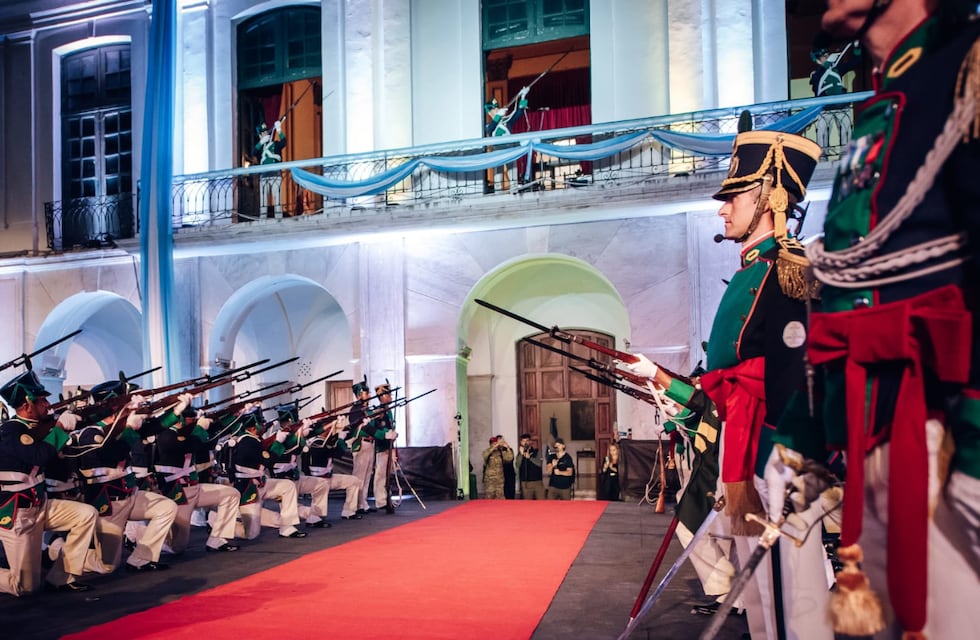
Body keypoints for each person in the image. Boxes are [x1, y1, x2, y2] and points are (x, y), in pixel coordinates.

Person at [768, 2, 980, 638]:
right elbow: (849, 298)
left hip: (951, 428)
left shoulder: (968, 65)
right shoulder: (889, 94)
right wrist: (807, 430)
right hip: (882, 428)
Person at [628, 128, 829, 639]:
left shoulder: (790, 270)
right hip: (740, 454)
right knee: (760, 600)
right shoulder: (751, 270)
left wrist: (787, 461)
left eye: (733, 197)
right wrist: (659, 378)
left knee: (791, 604)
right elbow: (720, 389)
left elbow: (795, 378)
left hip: (774, 460)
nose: (723, 209)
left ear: (769, 197)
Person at [0, 370, 98, 594]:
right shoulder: (12, 431)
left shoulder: (35, 427)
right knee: (24, 586)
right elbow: (40, 456)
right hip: (18, 513)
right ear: (27, 405)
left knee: (86, 514)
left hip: (41, 506)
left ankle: (62, 578)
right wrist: (60, 429)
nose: (47, 404)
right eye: (42, 400)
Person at [70, 380, 178, 574]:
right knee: (107, 566)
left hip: (130, 494)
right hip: (109, 502)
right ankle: (58, 551)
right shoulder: (91, 433)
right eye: (126, 403)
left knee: (166, 507)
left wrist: (177, 410)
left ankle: (141, 559)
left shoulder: (123, 426)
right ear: (115, 406)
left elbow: (155, 427)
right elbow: (112, 453)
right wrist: (129, 429)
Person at [152, 394, 241, 553]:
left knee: (231, 494)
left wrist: (234, 414)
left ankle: (217, 539)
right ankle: (148, 543)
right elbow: (189, 446)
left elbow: (214, 431)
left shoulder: (188, 433)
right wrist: (199, 428)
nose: (193, 422)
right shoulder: (166, 435)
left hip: (194, 487)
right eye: (190, 419)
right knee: (178, 547)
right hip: (178, 491)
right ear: (179, 419)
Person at [227, 407, 307, 540]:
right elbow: (269, 461)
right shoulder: (248, 442)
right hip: (248, 486)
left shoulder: (254, 439)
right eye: (261, 424)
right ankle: (215, 520)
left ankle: (287, 527)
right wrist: (277, 442)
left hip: (260, 482)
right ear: (254, 427)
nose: (264, 426)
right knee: (251, 534)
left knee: (287, 486)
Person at [301, 414, 363, 522]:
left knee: (354, 481)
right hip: (317, 479)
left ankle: (349, 511)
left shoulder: (326, 440)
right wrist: (340, 440)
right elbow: (337, 453)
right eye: (329, 427)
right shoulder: (317, 442)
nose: (332, 429)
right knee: (321, 486)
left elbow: (343, 438)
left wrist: (358, 425)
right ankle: (314, 518)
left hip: (328, 477)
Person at [366, 384, 398, 514]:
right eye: (388, 395)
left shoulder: (388, 410)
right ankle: (380, 501)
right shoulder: (378, 411)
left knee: (387, 475)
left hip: (389, 445)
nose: (390, 397)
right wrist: (386, 433)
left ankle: (386, 498)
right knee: (380, 475)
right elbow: (377, 428)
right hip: (381, 446)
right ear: (382, 396)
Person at [346, 381, 375, 514]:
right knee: (359, 475)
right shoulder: (355, 410)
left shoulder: (366, 409)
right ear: (358, 395)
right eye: (365, 393)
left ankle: (363, 502)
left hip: (370, 443)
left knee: (367, 474)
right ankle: (355, 504)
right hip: (361, 443)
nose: (368, 395)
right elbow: (355, 427)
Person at [516, 433, 545, 500]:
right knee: (528, 505)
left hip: (537, 482)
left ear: (530, 442)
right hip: (525, 483)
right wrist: (521, 454)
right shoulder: (520, 454)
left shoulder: (537, 451)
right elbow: (517, 465)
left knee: (542, 503)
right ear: (521, 442)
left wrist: (529, 458)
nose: (525, 443)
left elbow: (539, 464)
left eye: (527, 441)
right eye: (523, 441)